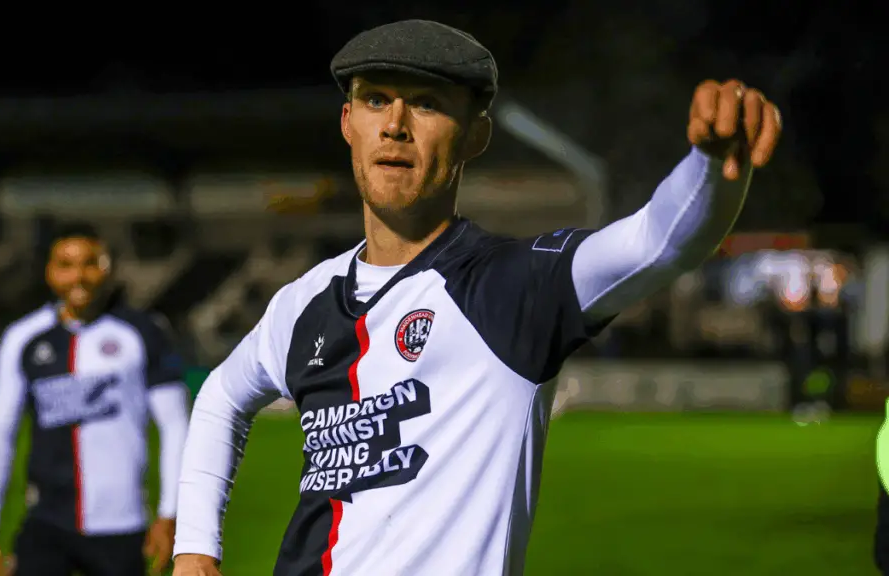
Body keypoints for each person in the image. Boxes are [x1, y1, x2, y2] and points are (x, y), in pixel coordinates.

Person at [172, 19, 782, 576]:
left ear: (475, 136)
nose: (395, 124)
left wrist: (713, 160)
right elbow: (222, 397)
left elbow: (659, 242)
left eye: (428, 104)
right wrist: (195, 550)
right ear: (347, 123)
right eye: (375, 99)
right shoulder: (303, 302)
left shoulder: (514, 287)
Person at [0, 223, 190, 576]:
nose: (79, 276)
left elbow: (176, 427)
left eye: (90, 263)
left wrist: (171, 515)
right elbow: (0, 433)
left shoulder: (144, 332)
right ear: (49, 271)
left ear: (109, 267)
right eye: (66, 264)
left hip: (123, 525)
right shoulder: (23, 337)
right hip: (46, 522)